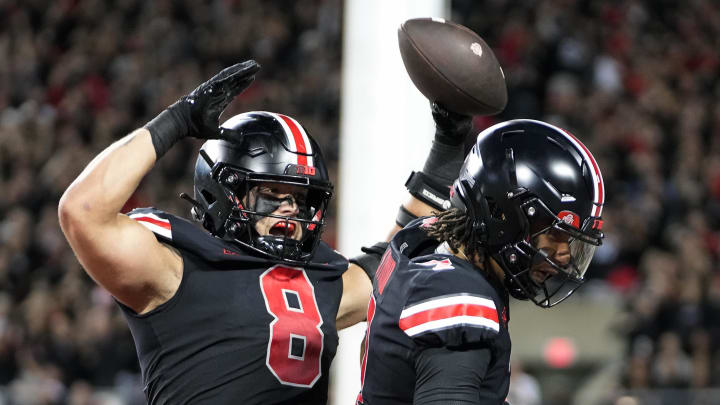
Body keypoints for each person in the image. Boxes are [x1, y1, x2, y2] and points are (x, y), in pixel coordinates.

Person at [58, 60, 473, 404]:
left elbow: (394, 259)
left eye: (301, 198)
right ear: (220, 194)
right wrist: (177, 119)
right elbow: (83, 211)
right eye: (272, 194)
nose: (290, 210)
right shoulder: (175, 265)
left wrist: (447, 150)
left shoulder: (318, 280)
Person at [356, 119, 606, 404]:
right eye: (555, 234)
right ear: (502, 215)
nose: (565, 255)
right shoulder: (459, 300)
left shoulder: (423, 238)